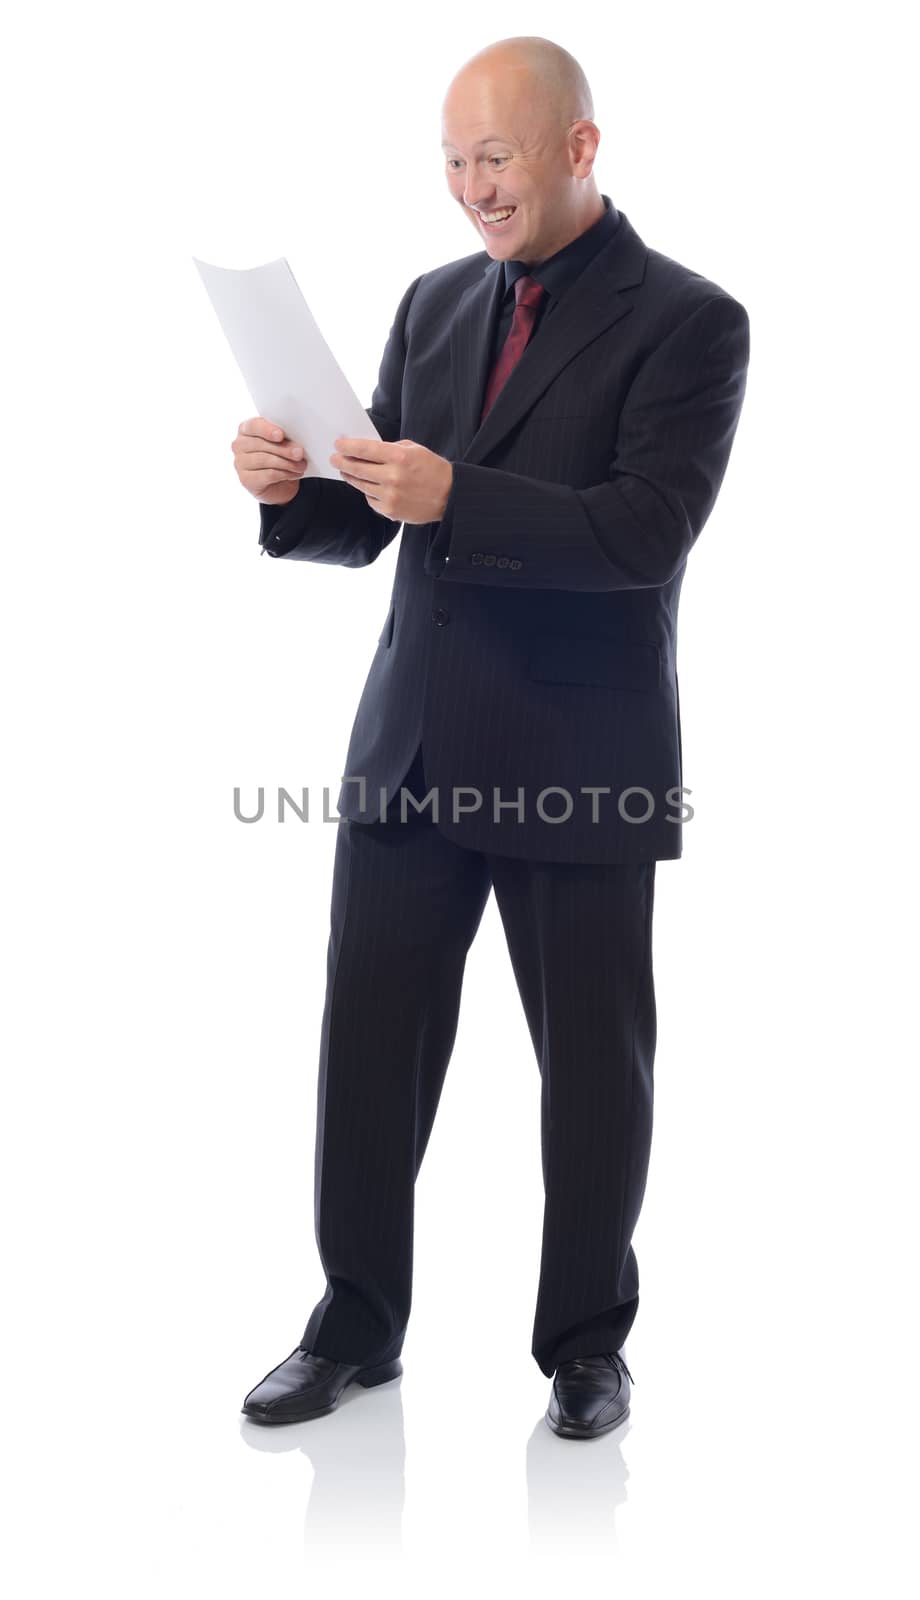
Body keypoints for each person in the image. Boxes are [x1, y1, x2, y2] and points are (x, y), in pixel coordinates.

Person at [232, 34, 749, 1440]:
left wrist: (454, 491)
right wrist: (293, 486)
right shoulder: (434, 301)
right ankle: (355, 1323)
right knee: (369, 1051)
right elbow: (376, 511)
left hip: (579, 762)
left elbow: (643, 533)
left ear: (580, 149)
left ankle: (587, 1344)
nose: (472, 188)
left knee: (592, 1067)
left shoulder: (693, 322)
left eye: (496, 157)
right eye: (453, 161)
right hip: (409, 750)